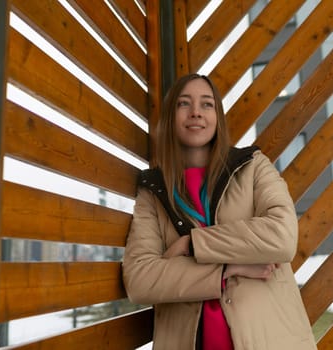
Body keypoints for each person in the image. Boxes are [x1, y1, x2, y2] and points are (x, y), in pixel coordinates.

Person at [123, 73, 317, 350]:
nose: (195, 113)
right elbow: (140, 280)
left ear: (218, 117)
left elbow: (282, 237)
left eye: (207, 104)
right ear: (170, 117)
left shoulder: (253, 166)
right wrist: (229, 267)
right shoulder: (152, 190)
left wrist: (193, 244)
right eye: (183, 104)